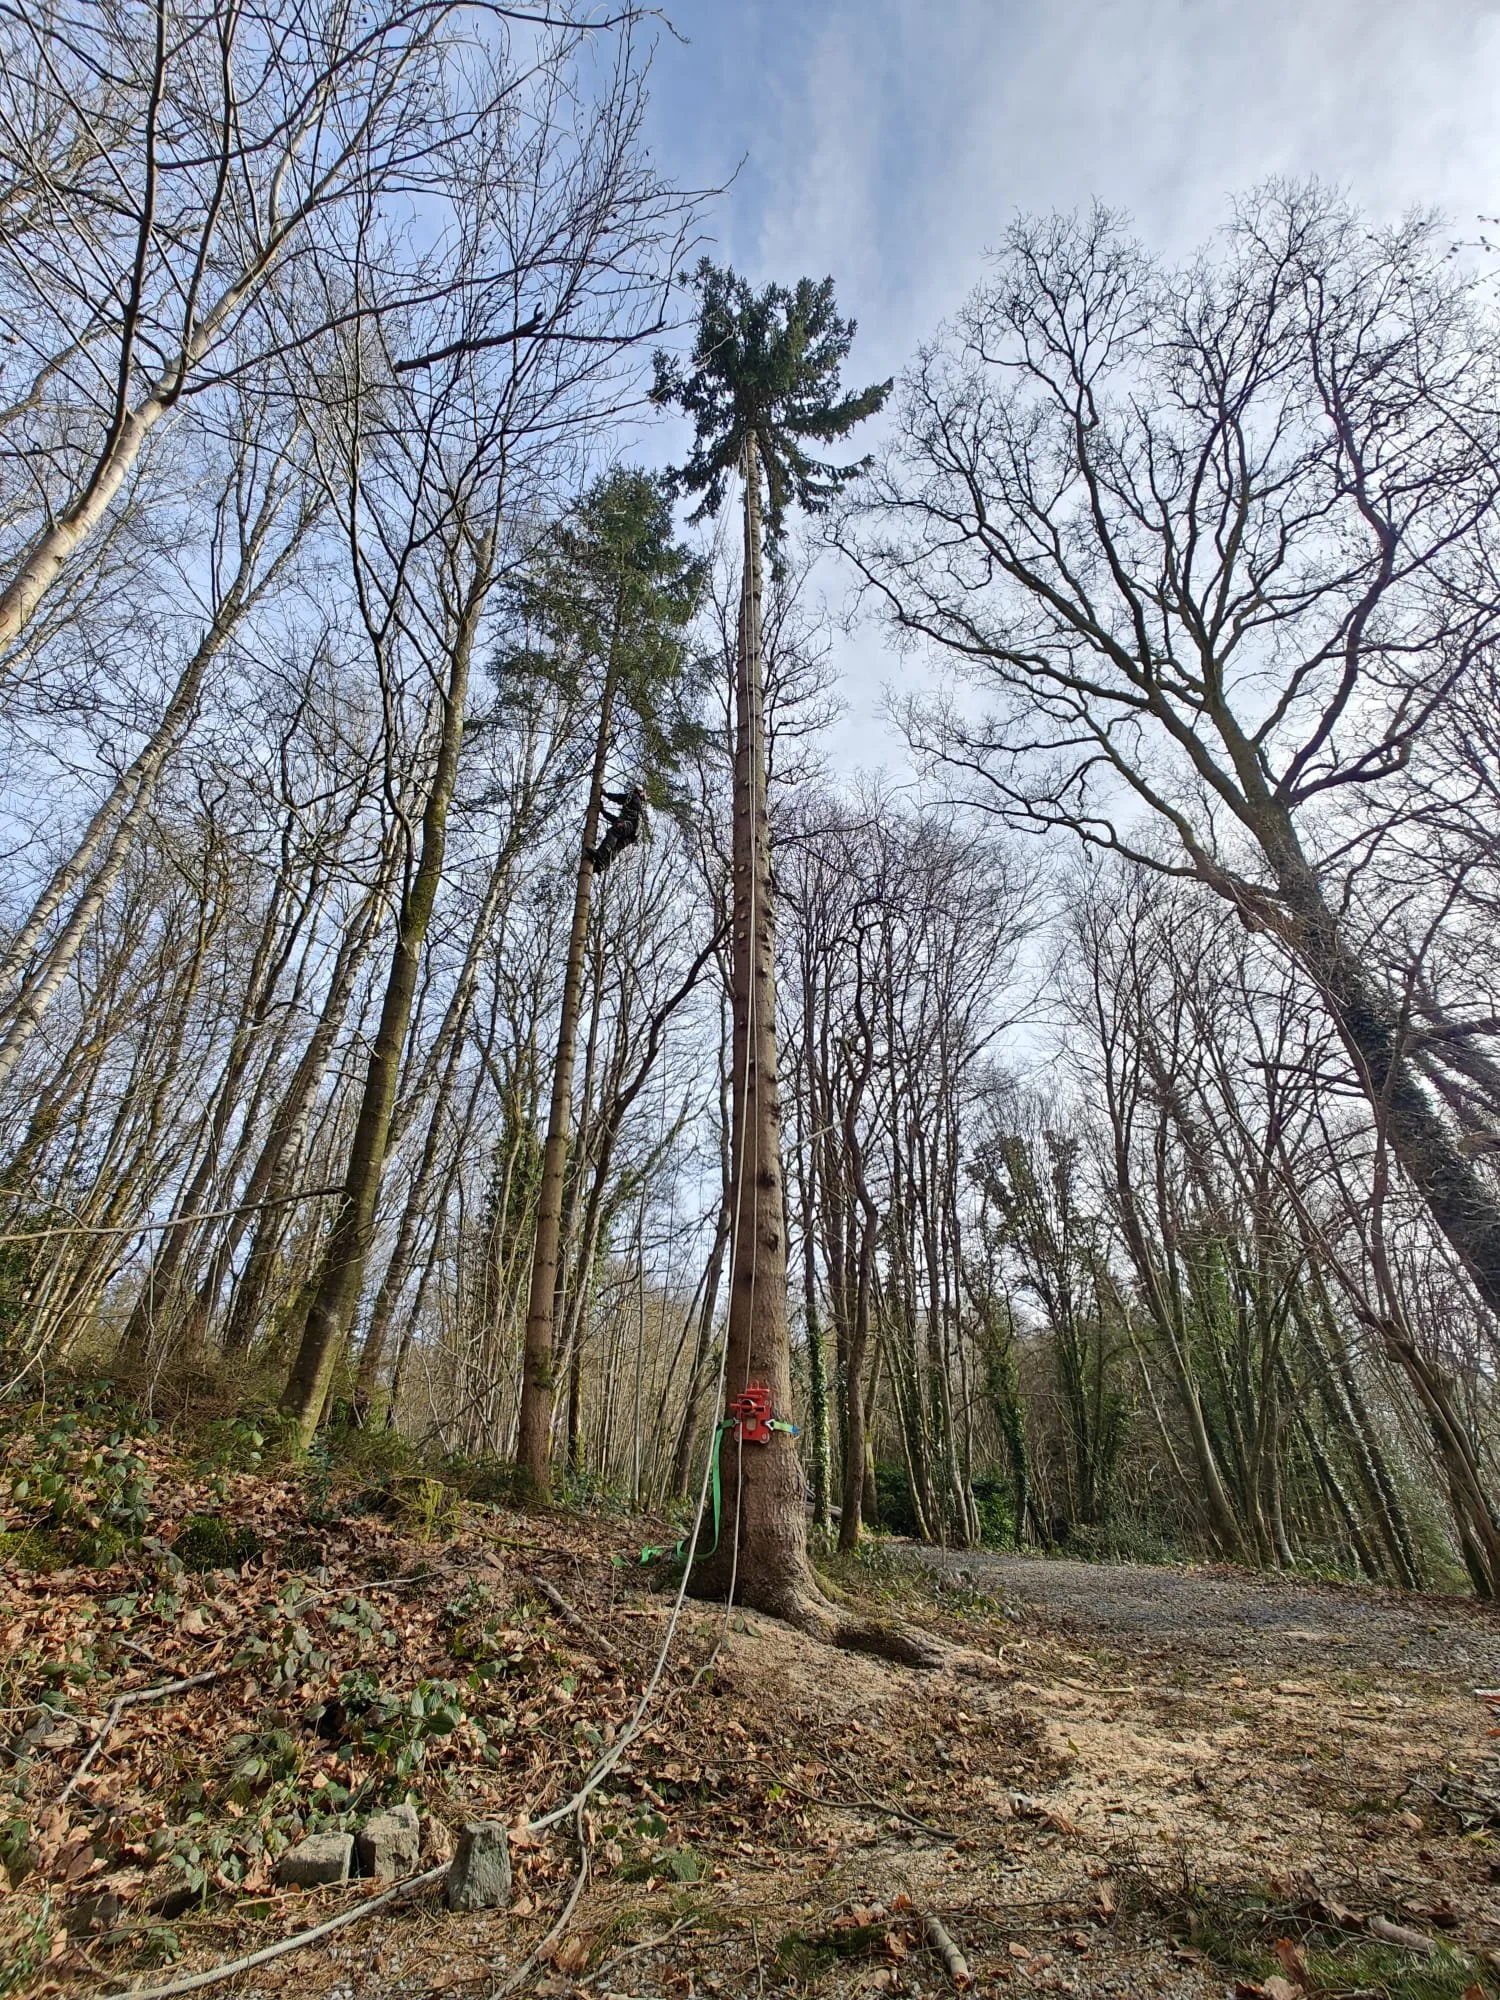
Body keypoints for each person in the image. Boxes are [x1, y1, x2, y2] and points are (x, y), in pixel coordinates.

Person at [585, 784, 647, 873]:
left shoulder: (634, 797)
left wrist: (606, 794)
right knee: (617, 846)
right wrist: (603, 811)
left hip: (630, 826)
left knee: (615, 831)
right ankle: (602, 865)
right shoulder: (634, 811)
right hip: (633, 835)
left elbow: (619, 798)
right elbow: (615, 820)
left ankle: (601, 853)